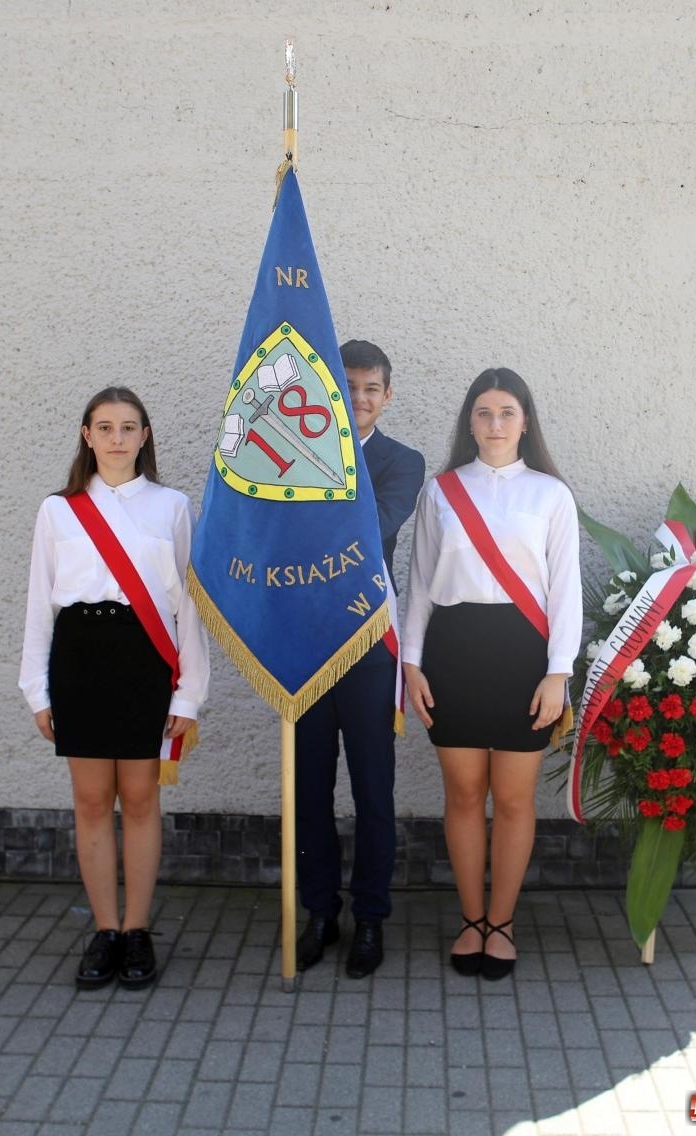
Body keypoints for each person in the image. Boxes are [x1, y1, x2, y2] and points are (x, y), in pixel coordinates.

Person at [19, 386, 209, 991]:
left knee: (142, 799)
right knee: (92, 802)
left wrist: (188, 694)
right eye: (106, 427)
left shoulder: (173, 506)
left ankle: (136, 930)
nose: (118, 438)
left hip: (144, 658)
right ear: (87, 435)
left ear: (145, 436)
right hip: (79, 660)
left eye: (129, 427)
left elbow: (190, 609)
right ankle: (104, 930)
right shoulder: (59, 511)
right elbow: (39, 607)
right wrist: (37, 690)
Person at [402, 367, 581, 980]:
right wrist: (411, 665)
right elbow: (420, 586)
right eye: (484, 413)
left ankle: (501, 923)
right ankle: (470, 919)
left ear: (525, 421)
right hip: (453, 655)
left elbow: (566, 594)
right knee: (462, 795)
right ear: (469, 422)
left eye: (507, 412)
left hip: (524, 658)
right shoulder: (441, 492)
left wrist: (559, 673)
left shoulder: (551, 495)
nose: (495, 424)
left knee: (512, 799)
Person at [295, 339, 425, 978]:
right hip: (306, 641)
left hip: (372, 642)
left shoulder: (403, 461)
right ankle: (320, 911)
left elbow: (372, 527)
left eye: (371, 388)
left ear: (387, 395)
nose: (359, 398)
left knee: (374, 789)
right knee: (309, 787)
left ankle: (371, 917)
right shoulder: (292, 454)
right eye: (346, 386)